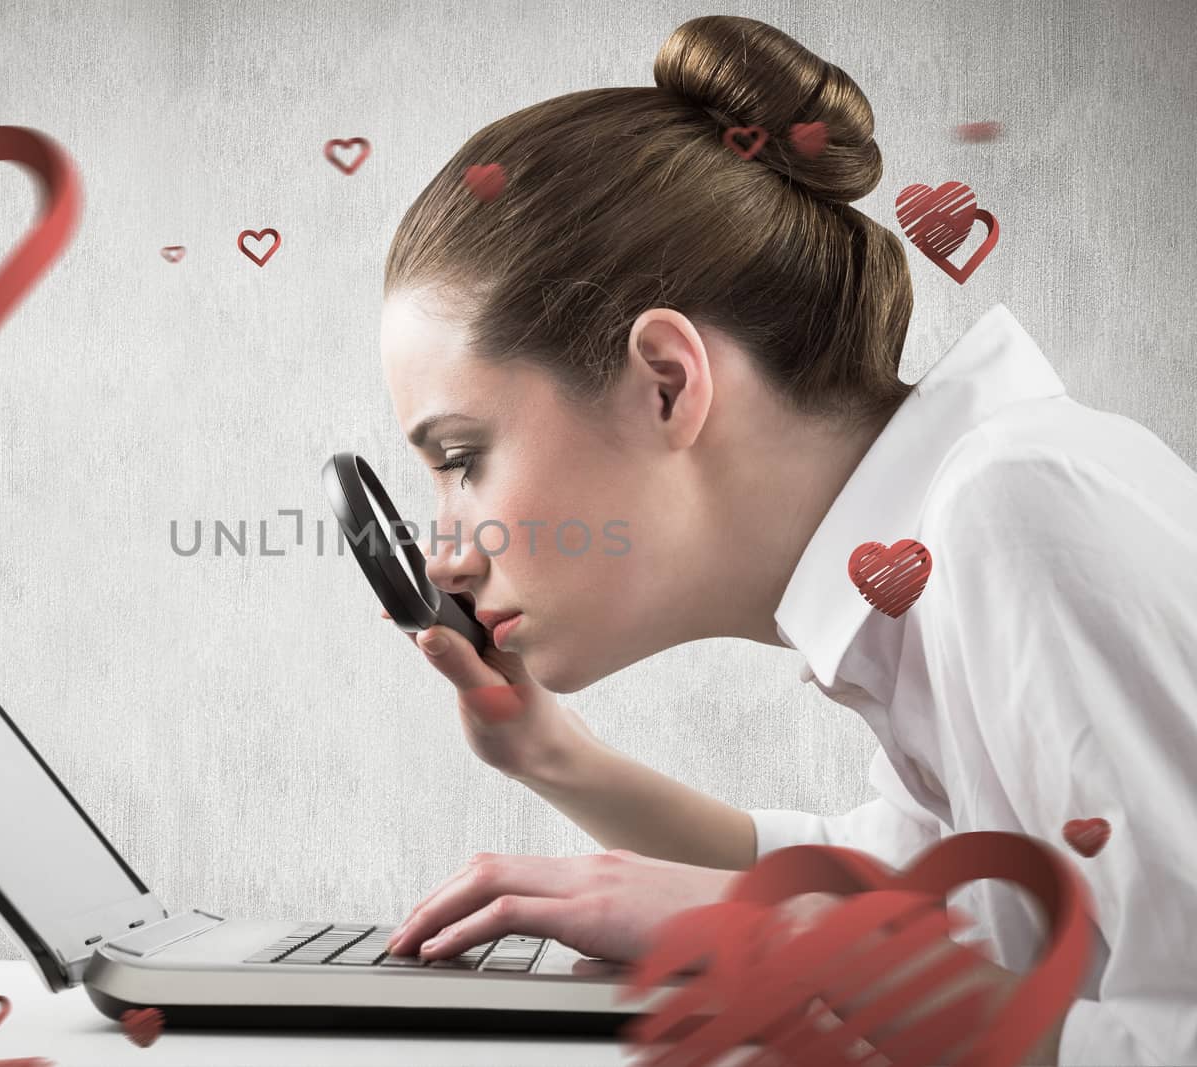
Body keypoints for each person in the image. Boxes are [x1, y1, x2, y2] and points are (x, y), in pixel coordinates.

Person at [372, 14, 1197, 1066]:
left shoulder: (1018, 511)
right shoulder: (942, 559)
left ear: (665, 381)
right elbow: (915, 898)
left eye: (460, 454)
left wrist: (769, 937)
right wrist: (554, 758)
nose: (446, 556)